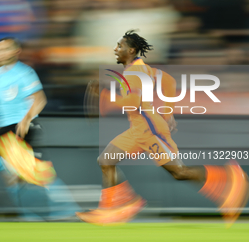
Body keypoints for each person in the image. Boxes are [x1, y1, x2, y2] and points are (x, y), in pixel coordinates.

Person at [76, 30, 248, 226]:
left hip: (150, 131)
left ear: (131, 50)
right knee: (106, 160)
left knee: (179, 172)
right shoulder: (139, 68)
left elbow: (134, 101)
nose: (116, 49)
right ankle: (117, 206)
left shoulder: (134, 72)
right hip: (139, 128)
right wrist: (168, 113)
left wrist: (106, 97)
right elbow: (168, 81)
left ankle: (230, 178)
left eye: (120, 46)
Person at [0, 37, 79, 220]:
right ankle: (32, 215)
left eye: (2, 50)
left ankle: (66, 211)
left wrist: (26, 118)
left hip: (22, 126)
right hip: (4, 128)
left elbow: (40, 99)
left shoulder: (24, 73)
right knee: (21, 175)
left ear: (15, 52)